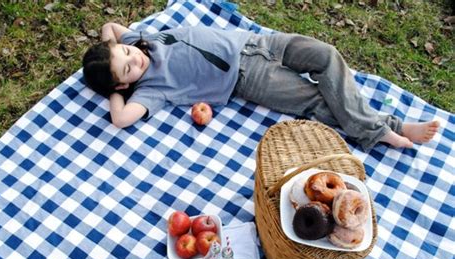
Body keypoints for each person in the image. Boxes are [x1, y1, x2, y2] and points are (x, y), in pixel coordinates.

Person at [82, 22, 439, 151]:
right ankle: (384, 129)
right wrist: (120, 89)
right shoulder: (150, 89)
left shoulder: (137, 40)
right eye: (127, 70)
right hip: (247, 77)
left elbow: (110, 27)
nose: (135, 61)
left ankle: (375, 125)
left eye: (127, 53)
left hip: (257, 42)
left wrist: (114, 52)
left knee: (327, 55)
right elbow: (121, 119)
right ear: (123, 82)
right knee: (315, 100)